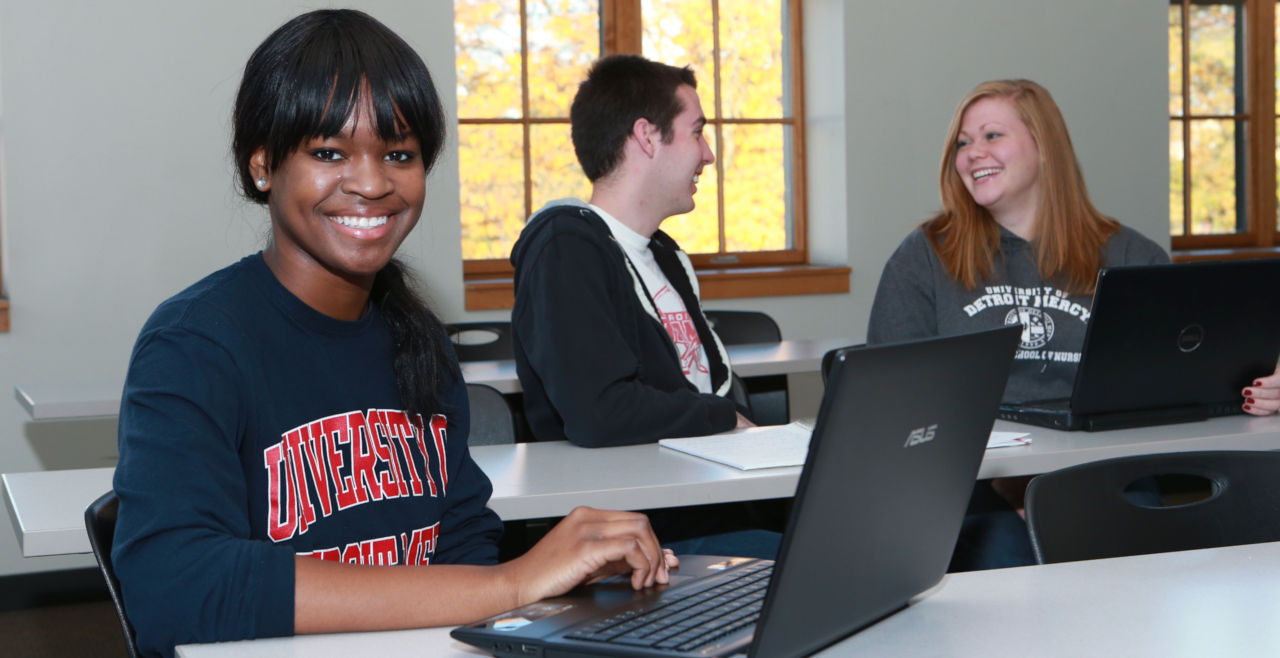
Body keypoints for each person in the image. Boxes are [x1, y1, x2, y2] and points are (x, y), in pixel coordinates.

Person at [111, 11, 675, 656]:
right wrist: (514, 584)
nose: (373, 183)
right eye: (328, 153)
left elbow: (461, 536)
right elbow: (173, 590)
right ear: (263, 164)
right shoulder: (195, 345)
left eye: (399, 154)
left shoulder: (419, 338)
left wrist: (546, 592)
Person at [867, 79, 1170, 571]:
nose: (971, 154)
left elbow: (1179, 381)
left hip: (1104, 477)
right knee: (1015, 568)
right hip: (970, 486)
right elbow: (895, 401)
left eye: (991, 136)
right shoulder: (924, 256)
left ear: (1045, 147)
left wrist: (1258, 381)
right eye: (963, 143)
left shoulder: (1132, 257)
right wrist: (1010, 480)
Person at [510, 54, 753, 448]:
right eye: (696, 133)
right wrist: (723, 417)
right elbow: (600, 414)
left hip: (700, 483)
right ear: (647, 137)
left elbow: (703, 390)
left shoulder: (665, 256)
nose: (708, 154)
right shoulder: (565, 250)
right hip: (632, 499)